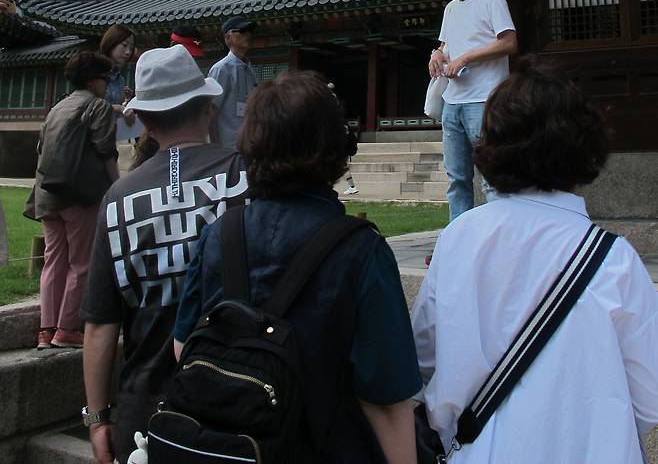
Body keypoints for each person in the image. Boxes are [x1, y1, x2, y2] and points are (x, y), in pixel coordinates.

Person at [412, 58, 658, 464]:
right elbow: (649, 401)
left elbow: (423, 359)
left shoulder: (459, 238)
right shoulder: (614, 260)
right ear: (586, 145)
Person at [174, 70, 420, 464]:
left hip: (231, 449)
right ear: (335, 146)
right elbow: (386, 399)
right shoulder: (361, 250)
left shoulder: (219, 235)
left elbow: (184, 345)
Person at [80, 45, 248, 464]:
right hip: (243, 399)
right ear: (209, 106)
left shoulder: (118, 198)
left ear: (147, 122)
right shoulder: (245, 175)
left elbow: (101, 323)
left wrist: (99, 418)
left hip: (146, 410)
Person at [28, 51, 118, 350]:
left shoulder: (57, 107)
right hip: (79, 195)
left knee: (53, 261)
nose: (107, 84)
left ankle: (46, 329)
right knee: (81, 263)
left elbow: (41, 147)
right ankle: (67, 328)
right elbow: (105, 150)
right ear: (93, 79)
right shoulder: (97, 106)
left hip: (47, 193)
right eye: (106, 78)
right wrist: (117, 186)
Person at [428, 0, 516, 220]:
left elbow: (509, 42)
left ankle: (501, 237)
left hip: (484, 99)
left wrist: (466, 57)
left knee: (491, 176)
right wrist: (437, 54)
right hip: (452, 102)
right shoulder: (451, 8)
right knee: (456, 179)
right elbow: (446, 45)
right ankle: (459, 238)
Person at [208, 16, 257, 149]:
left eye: (250, 31)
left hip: (247, 145)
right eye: (242, 31)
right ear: (228, 38)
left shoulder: (249, 69)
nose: (248, 35)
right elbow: (210, 111)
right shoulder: (221, 69)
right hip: (226, 147)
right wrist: (215, 146)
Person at [99, 25, 137, 140]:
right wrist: (117, 108)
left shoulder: (120, 80)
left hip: (110, 138)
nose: (128, 52)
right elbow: (86, 106)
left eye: (131, 48)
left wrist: (126, 102)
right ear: (111, 43)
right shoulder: (95, 73)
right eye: (124, 45)